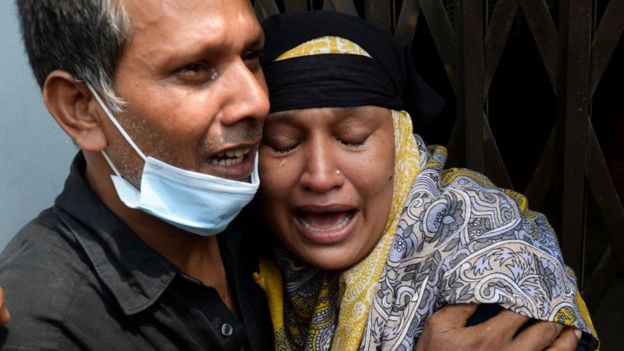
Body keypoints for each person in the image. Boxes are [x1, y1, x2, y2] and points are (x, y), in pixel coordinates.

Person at [252, 11, 599, 350]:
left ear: (401, 144)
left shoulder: (487, 264)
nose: (321, 176)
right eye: (284, 143)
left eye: (352, 137)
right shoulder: (241, 258)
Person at [0, 0, 274, 349]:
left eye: (251, 56)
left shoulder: (275, 219)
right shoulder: (48, 328)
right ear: (81, 109)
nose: (256, 101)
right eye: (194, 68)